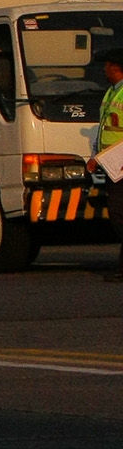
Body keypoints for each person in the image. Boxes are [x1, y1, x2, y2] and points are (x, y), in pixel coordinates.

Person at [96, 54, 123, 283]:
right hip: (112, 165)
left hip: (121, 165)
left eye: (106, 64)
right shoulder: (112, 91)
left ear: (115, 67)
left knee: (118, 213)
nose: (104, 69)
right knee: (117, 213)